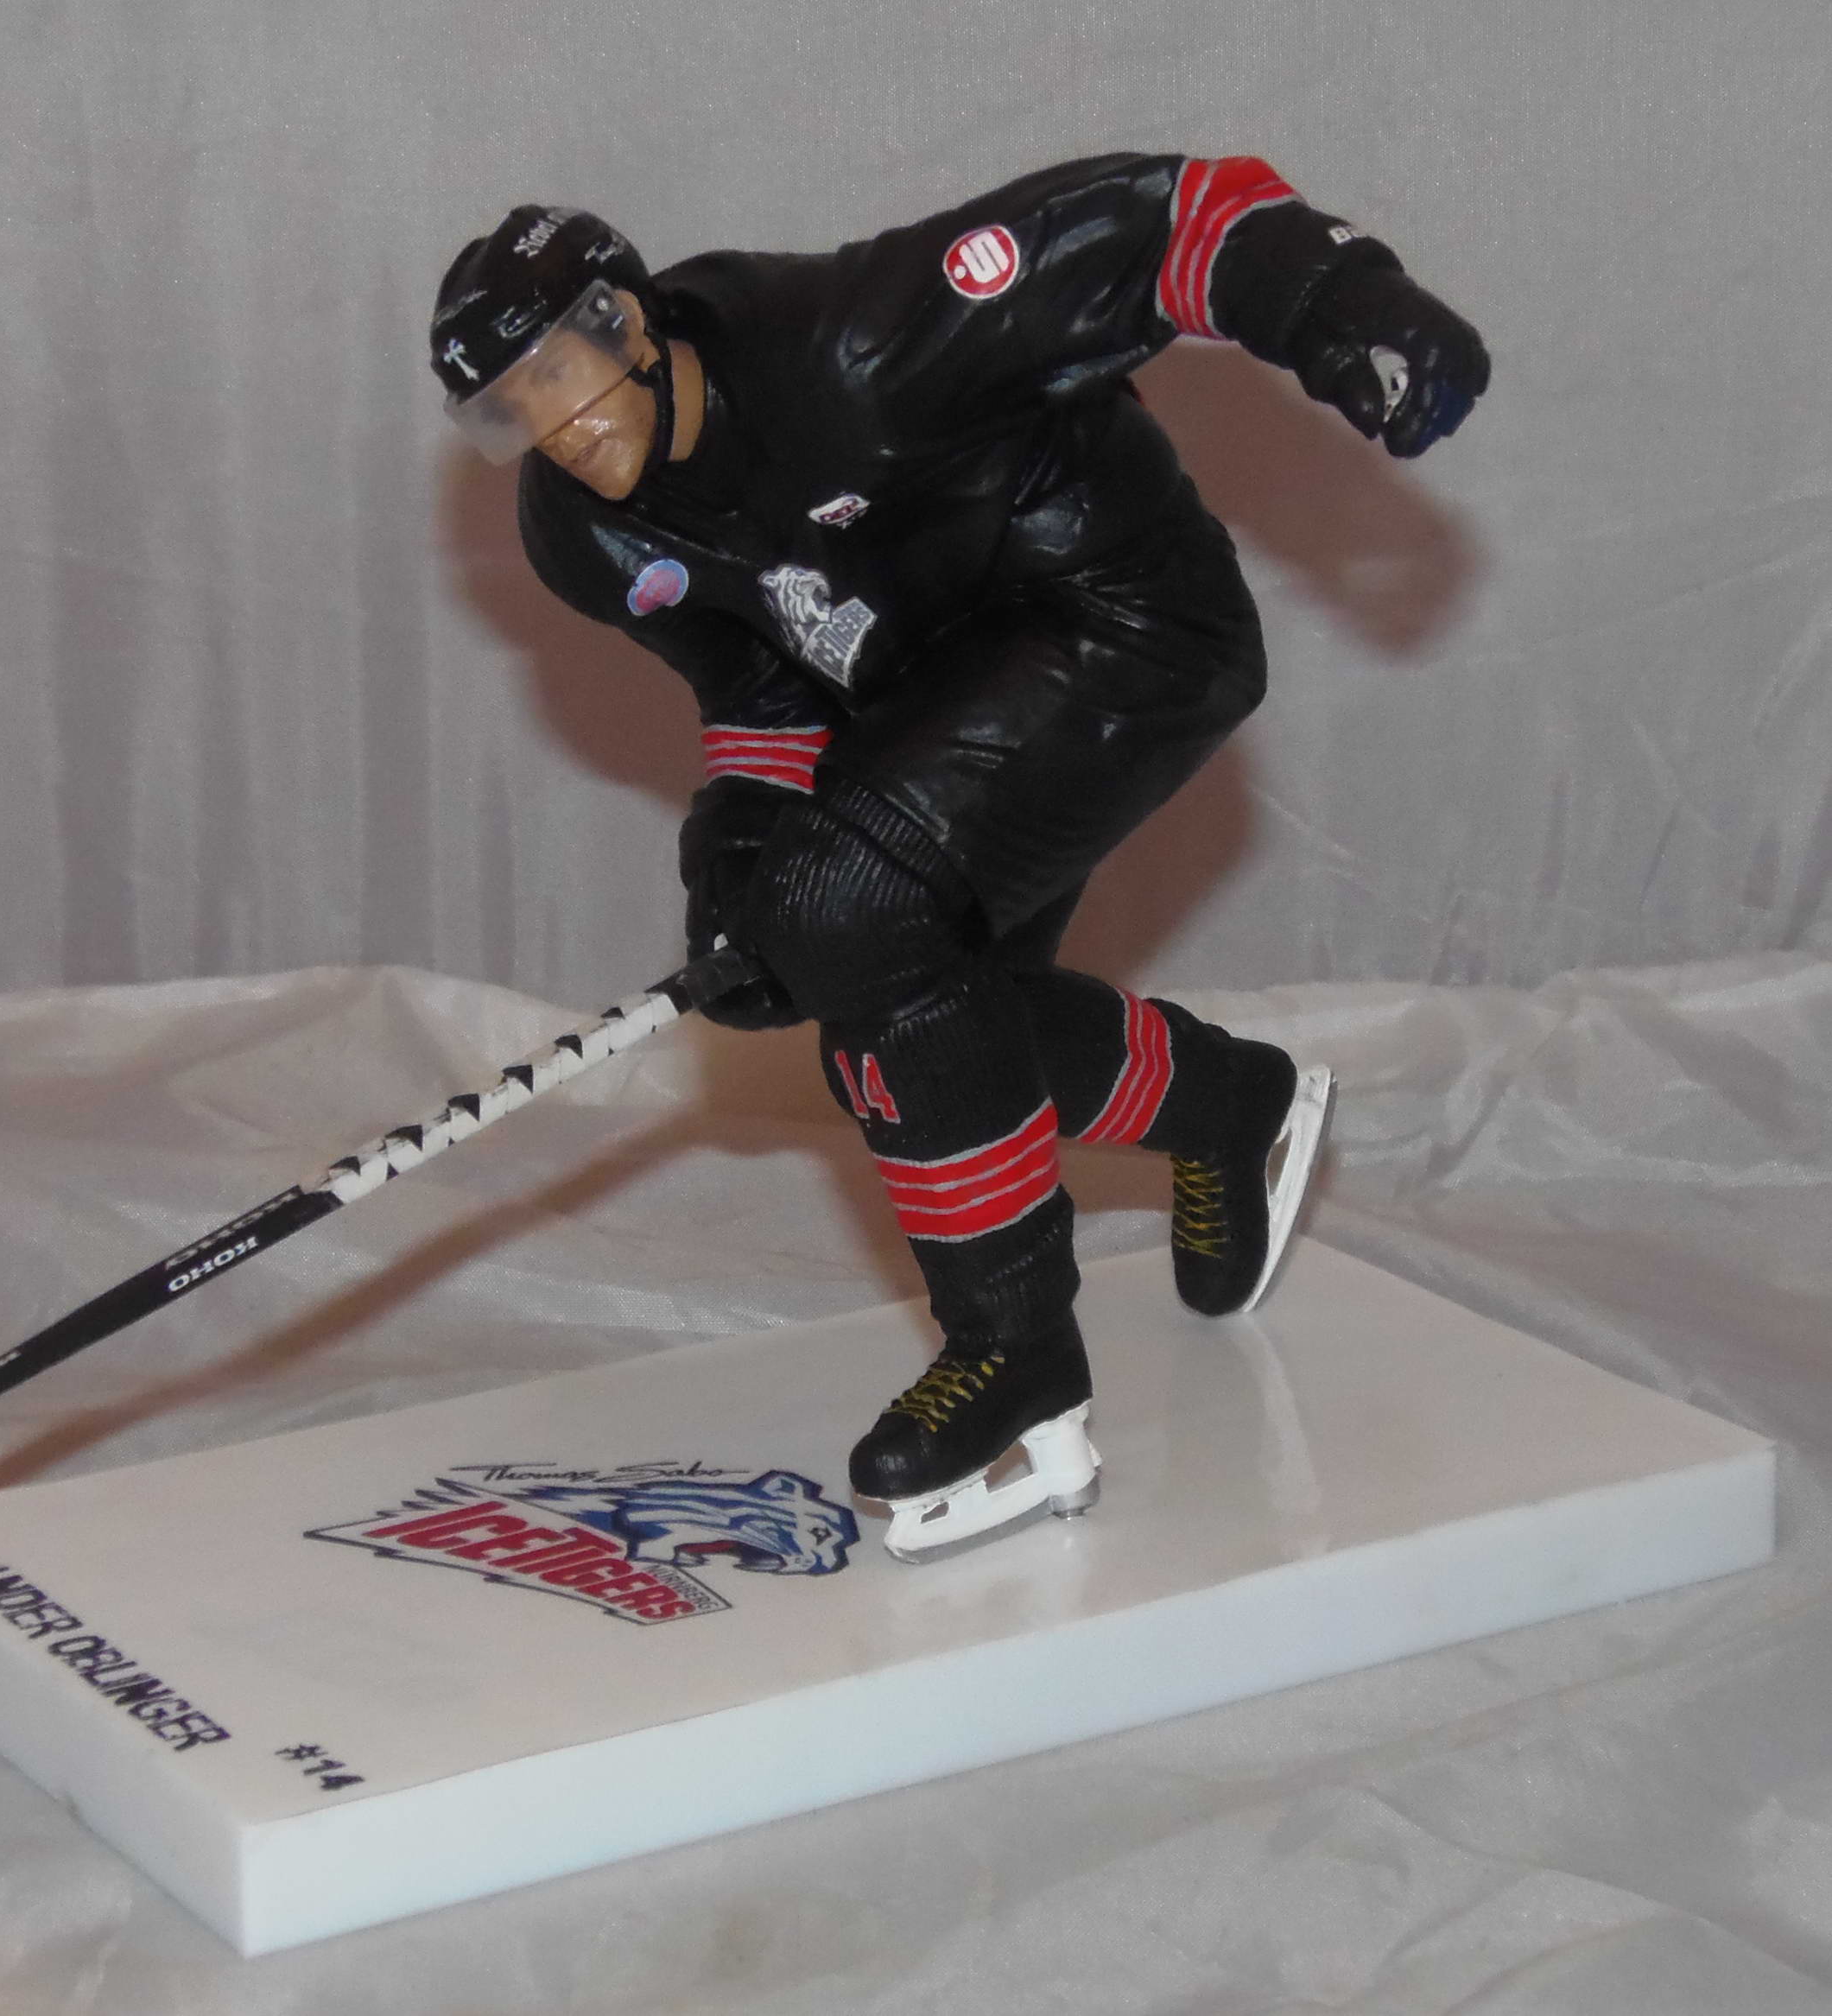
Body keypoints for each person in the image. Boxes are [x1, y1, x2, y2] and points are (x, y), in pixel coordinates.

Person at [428, 155, 1487, 1560]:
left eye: (559, 373)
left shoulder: (857, 348)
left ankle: (1017, 1356)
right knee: (908, 1035)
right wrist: (737, 853)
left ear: (631, 321)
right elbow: (759, 676)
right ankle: (1231, 1105)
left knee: (848, 914)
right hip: (933, 696)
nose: (551, 429)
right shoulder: (584, 535)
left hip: (1123, 621)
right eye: (509, 411)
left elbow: (1149, 222)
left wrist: (1335, 297)